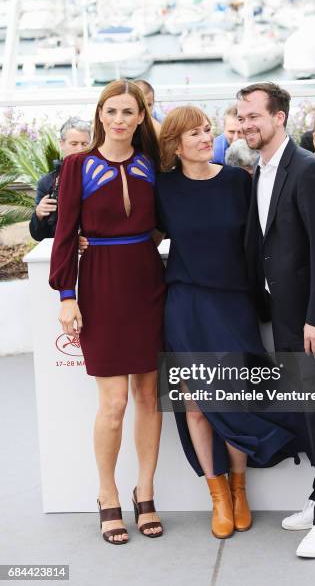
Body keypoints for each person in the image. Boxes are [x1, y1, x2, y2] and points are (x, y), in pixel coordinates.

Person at [155, 105, 308, 541]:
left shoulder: (238, 182)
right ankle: (218, 495)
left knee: (235, 398)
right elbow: (137, 232)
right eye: (195, 134)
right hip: (186, 304)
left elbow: (269, 233)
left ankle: (240, 490)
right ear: (175, 145)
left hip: (234, 304)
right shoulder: (161, 189)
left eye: (208, 130)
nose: (207, 138)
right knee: (197, 405)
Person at [237, 82, 315, 559]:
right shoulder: (260, 170)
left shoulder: (308, 170)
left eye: (254, 116)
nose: (246, 124)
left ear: (279, 117)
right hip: (288, 315)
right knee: (308, 413)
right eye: (241, 117)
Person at [49, 79, 166, 544]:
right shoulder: (77, 164)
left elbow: (164, 219)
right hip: (99, 283)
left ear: (141, 118)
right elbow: (63, 231)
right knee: (113, 403)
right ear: (100, 115)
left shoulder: (151, 163)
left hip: (146, 281)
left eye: (128, 112)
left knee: (148, 397)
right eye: (111, 111)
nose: (119, 120)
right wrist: (65, 294)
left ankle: (147, 490)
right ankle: (106, 492)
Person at [29, 117, 91, 241]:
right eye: (74, 144)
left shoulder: (99, 176)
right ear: (61, 144)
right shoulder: (46, 183)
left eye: (84, 144)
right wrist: (38, 215)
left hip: (95, 249)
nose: (80, 149)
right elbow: (38, 235)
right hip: (61, 250)